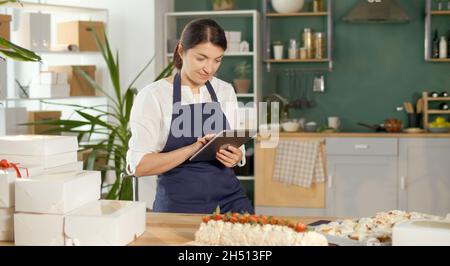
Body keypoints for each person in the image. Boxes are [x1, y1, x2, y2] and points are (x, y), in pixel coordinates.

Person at [126, 18, 254, 214]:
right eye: (201, 58)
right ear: (180, 50)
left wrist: (236, 156)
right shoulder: (153, 96)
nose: (209, 68)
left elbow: (237, 148)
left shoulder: (224, 90)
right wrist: (194, 149)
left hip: (231, 200)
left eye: (217, 60)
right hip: (179, 205)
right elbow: (139, 166)